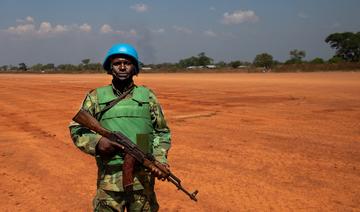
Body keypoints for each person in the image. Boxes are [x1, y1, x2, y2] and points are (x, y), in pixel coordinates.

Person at [69, 43, 171, 211]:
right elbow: (76, 128)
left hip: (142, 184)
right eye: (117, 63)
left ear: (134, 68)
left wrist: (160, 160)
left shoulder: (147, 96)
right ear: (110, 68)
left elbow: (162, 132)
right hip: (109, 183)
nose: (122, 67)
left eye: (127, 63)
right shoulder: (96, 97)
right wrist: (98, 142)